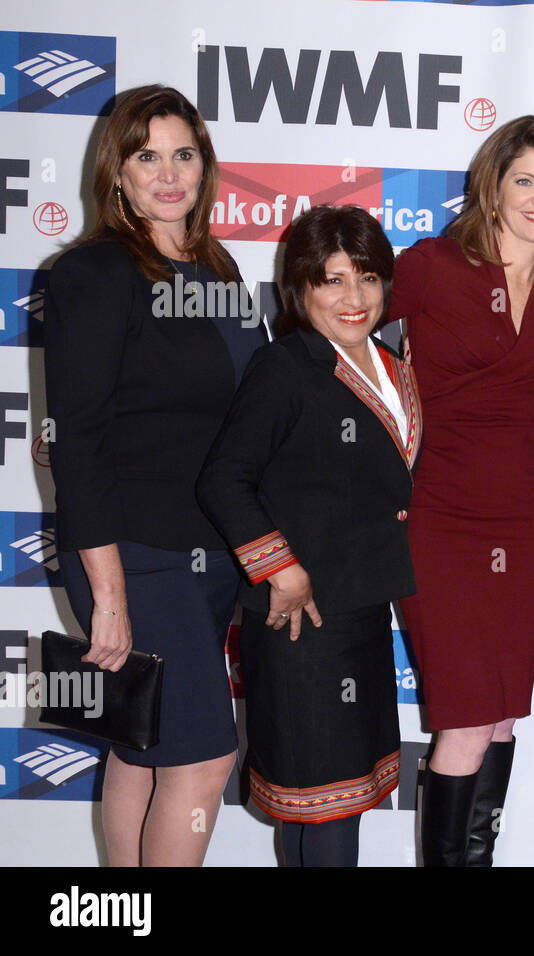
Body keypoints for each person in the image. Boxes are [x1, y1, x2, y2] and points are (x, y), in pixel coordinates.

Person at [43, 84, 266, 866]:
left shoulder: (215, 265)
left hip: (208, 554)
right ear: (117, 173)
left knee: (140, 744)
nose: (167, 173)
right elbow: (77, 442)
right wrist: (108, 598)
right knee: (203, 759)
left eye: (184, 154)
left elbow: (254, 411)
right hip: (134, 555)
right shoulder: (95, 273)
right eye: (146, 156)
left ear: (205, 166)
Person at [387, 115, 534, 866]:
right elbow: (335, 335)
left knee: (501, 718)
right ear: (492, 188)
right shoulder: (434, 264)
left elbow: (532, 409)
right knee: (466, 721)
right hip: (438, 513)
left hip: (519, 515)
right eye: (524, 180)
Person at [196, 205, 418, 867]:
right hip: (302, 618)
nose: (354, 298)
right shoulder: (286, 366)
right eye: (332, 280)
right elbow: (223, 480)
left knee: (331, 802)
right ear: (301, 288)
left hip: (361, 608)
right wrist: (280, 569)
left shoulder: (389, 360)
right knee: (325, 806)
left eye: (369, 278)